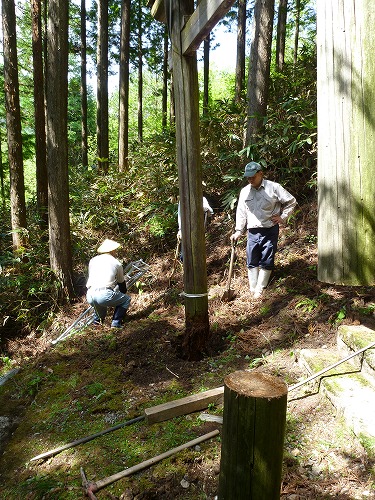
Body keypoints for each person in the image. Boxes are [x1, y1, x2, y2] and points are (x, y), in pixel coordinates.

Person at [231, 161, 297, 299]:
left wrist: (283, 217)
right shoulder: (245, 191)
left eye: (252, 177)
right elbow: (241, 212)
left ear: (261, 174)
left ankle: (261, 288)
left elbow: (291, 201)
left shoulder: (273, 187)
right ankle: (252, 288)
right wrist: (238, 231)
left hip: (269, 229)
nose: (250, 179)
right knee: (251, 259)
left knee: (267, 259)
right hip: (252, 231)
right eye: (248, 177)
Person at [86, 239, 131, 328]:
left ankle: (96, 325)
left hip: (90, 294)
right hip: (104, 294)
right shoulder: (116, 263)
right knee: (126, 299)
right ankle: (116, 323)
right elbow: (121, 282)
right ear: (112, 251)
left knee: (100, 311)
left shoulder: (93, 260)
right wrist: (123, 292)